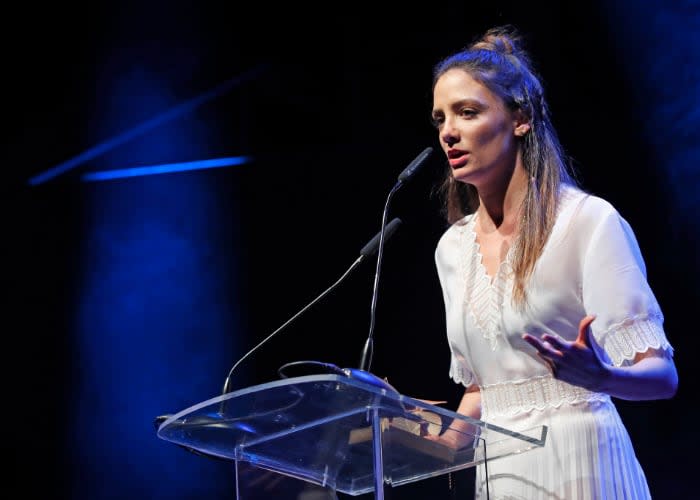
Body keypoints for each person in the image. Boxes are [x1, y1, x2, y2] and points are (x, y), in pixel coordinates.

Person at [427, 25, 678, 499]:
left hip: (582, 459)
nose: (449, 133)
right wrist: (426, 436)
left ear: (520, 118)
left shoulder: (587, 222)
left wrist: (603, 376)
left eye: (467, 112)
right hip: (501, 474)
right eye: (440, 119)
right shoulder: (452, 249)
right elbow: (484, 389)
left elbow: (662, 377)